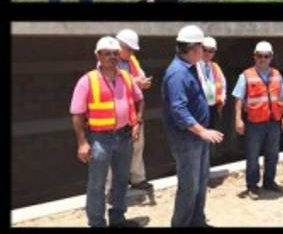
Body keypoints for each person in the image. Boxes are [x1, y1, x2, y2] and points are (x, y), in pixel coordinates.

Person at [71, 36, 144, 228]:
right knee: (97, 184)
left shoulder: (127, 77)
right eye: (107, 53)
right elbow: (77, 113)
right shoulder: (87, 81)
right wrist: (82, 142)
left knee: (121, 180)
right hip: (99, 140)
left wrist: (137, 121)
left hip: (124, 136)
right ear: (98, 55)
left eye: (115, 54)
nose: (112, 57)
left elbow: (140, 99)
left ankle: (118, 219)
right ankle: (97, 223)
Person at [162, 25, 225, 227]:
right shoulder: (178, 73)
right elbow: (179, 110)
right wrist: (202, 130)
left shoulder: (189, 67)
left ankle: (197, 221)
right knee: (189, 186)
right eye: (201, 46)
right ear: (193, 48)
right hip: (187, 138)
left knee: (200, 182)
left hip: (197, 137)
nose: (204, 50)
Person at [234, 41, 283, 198]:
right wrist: (238, 119)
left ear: (271, 57)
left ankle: (269, 181)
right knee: (253, 155)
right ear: (254, 56)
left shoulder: (277, 75)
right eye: (259, 56)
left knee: (273, 154)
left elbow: (281, 97)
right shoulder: (246, 75)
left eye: (266, 56)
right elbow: (239, 99)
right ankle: (252, 185)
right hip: (254, 123)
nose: (262, 59)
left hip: (274, 122)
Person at [114, 29, 154, 191]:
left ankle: (137, 179)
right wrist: (134, 81)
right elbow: (113, 79)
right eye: (129, 49)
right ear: (120, 45)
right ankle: (113, 187)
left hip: (133, 109)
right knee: (115, 151)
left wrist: (143, 82)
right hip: (115, 113)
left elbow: (140, 77)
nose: (131, 52)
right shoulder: (108, 59)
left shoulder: (132, 61)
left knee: (138, 145)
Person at [197, 36, 227, 131]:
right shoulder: (194, 65)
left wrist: (222, 98)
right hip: (198, 107)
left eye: (211, 51)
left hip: (213, 108)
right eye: (205, 50)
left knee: (211, 138)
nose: (207, 53)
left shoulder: (215, 67)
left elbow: (223, 85)